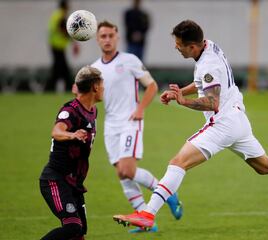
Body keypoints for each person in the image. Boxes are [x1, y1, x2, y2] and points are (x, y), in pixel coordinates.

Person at [113, 20, 268, 229]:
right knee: (265, 166)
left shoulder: (209, 64)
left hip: (223, 122)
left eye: (179, 45)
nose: (176, 47)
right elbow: (204, 83)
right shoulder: (209, 46)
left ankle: (148, 214)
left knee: (178, 163)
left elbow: (212, 102)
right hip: (238, 118)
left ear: (193, 46)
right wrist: (180, 90)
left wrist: (183, 100)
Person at [91, 20, 182, 233]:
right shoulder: (94, 68)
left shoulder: (129, 60)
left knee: (127, 169)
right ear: (97, 39)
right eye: (103, 36)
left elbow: (151, 85)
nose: (107, 40)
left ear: (117, 37)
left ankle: (167, 193)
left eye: (110, 35)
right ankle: (146, 221)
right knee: (122, 174)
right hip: (110, 126)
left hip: (131, 121)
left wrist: (140, 108)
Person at [39, 66, 104, 240]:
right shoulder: (71, 111)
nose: (104, 88)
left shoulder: (92, 111)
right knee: (72, 227)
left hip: (74, 183)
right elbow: (56, 131)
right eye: (102, 84)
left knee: (79, 233)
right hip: (55, 180)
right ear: (95, 87)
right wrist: (72, 134)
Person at [46, 0, 79, 92]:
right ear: (65, 6)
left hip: (55, 45)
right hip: (58, 45)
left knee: (59, 68)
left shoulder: (56, 15)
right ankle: (67, 88)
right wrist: (74, 43)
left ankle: (51, 88)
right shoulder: (61, 16)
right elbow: (64, 30)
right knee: (62, 68)